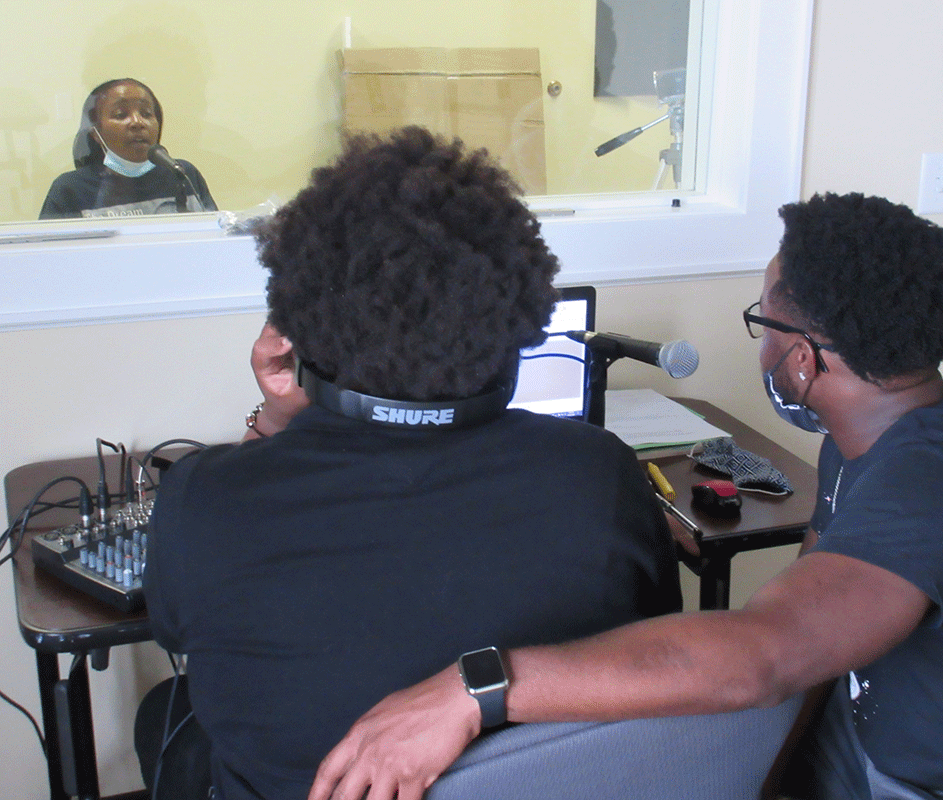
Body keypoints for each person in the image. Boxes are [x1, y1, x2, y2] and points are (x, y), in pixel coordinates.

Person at [308, 192, 943, 800]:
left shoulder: (941, 473)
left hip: (931, 783)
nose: (759, 343)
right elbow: (811, 633)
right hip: (857, 746)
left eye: (765, 322)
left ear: (802, 359)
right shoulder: (857, 442)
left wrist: (477, 689)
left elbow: (767, 651)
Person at [139, 126, 681, 800]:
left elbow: (178, 625)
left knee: (164, 716)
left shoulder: (204, 500)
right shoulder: (598, 476)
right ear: (515, 318)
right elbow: (650, 649)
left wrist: (277, 420)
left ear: (303, 329)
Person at [39, 78, 216, 219]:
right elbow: (50, 257)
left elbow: (216, 239)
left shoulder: (182, 175)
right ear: (96, 133)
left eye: (146, 114)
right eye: (120, 115)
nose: (137, 122)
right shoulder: (71, 189)